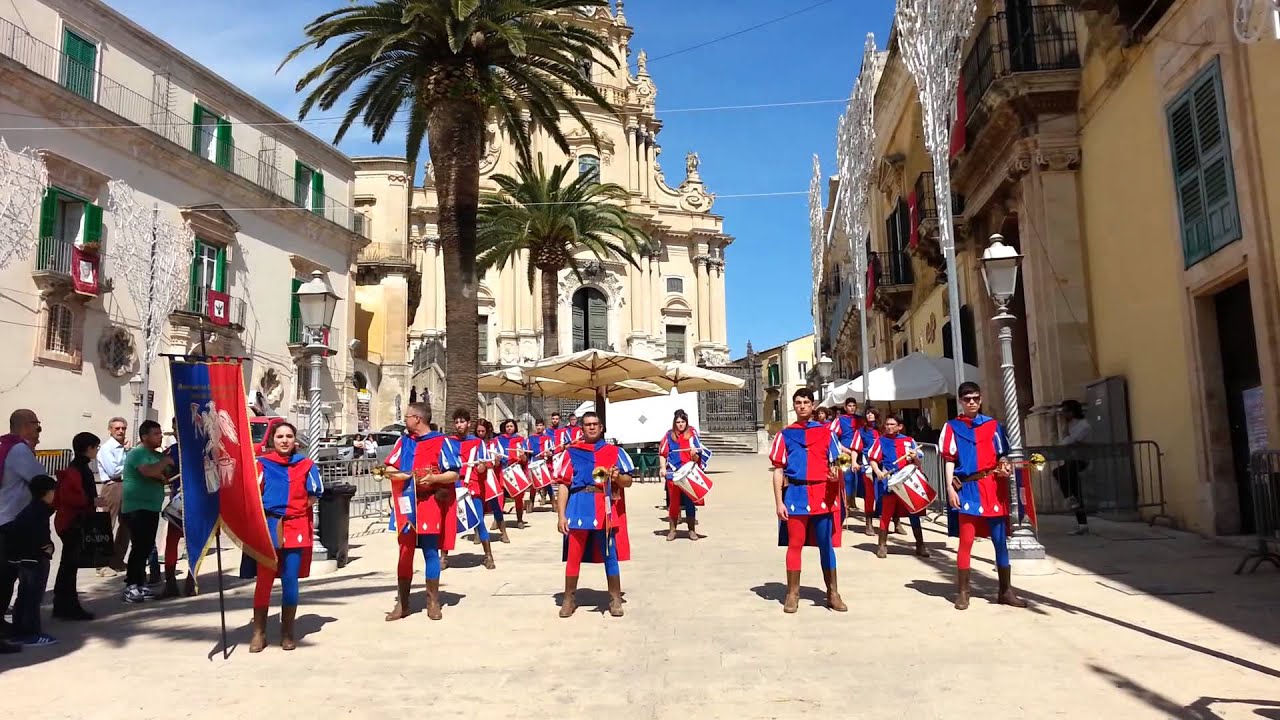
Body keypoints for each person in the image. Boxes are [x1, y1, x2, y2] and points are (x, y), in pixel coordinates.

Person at [940, 381, 1027, 611]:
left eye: (976, 398)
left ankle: (1005, 591)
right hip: (968, 488)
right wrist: (949, 488)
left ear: (980, 400)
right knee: (966, 541)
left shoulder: (993, 426)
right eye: (967, 399)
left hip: (992, 489)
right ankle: (963, 592)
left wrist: (1004, 464)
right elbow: (949, 460)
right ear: (960, 401)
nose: (972, 402)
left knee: (1000, 542)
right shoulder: (951, 428)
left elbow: (1002, 454)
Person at [241, 422, 323, 652]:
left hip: (296, 527)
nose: (284, 440)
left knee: (290, 580)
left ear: (295, 440)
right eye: (280, 436)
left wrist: (296, 511)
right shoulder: (262, 464)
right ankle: (259, 633)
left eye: (289, 436)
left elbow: (315, 493)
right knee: (264, 580)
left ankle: (287, 632)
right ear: (272, 440)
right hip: (269, 526)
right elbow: (252, 494)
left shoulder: (306, 466)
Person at [770, 388, 846, 614]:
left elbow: (842, 458)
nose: (802, 406)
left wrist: (837, 471)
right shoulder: (784, 435)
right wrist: (778, 502)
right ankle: (792, 593)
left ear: (813, 406)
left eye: (806, 402)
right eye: (798, 402)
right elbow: (777, 469)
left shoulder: (826, 432)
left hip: (823, 495)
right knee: (795, 545)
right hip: (796, 495)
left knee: (826, 545)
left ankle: (833, 593)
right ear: (794, 406)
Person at [383, 402, 460, 621]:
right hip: (407, 504)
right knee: (405, 552)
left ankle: (433, 602)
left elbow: (453, 473)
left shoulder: (441, 441)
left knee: (429, 552)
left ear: (417, 419)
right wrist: (399, 476)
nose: (405, 420)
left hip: (429, 503)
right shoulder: (404, 441)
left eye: (407, 416)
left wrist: (434, 478)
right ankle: (403, 604)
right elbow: (390, 466)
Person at [555, 411, 634, 618]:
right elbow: (563, 485)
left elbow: (628, 481)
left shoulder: (614, 452)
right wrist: (561, 515)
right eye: (587, 424)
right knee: (574, 554)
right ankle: (569, 598)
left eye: (595, 424)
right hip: (578, 505)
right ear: (581, 428)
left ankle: (615, 598)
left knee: (610, 553)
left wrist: (617, 477)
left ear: (601, 428)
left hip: (603, 505)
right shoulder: (571, 452)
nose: (591, 427)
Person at [0, 408, 46, 652]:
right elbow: (41, 481)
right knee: (12, 579)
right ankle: (22, 631)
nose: (39, 433)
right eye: (37, 426)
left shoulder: (3, 445)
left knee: (4, 579)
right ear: (27, 426)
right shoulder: (18, 449)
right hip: (11, 522)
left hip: (3, 520)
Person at [121, 420, 174, 603]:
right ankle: (131, 586)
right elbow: (147, 472)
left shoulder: (156, 455)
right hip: (136, 508)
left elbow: (163, 474)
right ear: (145, 437)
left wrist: (164, 469)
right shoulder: (137, 453)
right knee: (138, 547)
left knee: (146, 546)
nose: (160, 436)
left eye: (160, 433)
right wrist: (165, 462)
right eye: (156, 434)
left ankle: (141, 583)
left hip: (151, 507)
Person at [3, 474, 58, 647]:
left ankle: (19, 631)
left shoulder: (29, 509)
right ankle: (30, 633)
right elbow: (39, 537)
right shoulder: (38, 511)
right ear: (47, 492)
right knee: (32, 597)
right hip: (34, 560)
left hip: (23, 559)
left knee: (24, 596)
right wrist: (47, 548)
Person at [52, 431, 101, 620]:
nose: (96, 451)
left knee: (68, 565)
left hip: (72, 521)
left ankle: (62, 604)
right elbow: (74, 497)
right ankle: (68, 606)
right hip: (74, 522)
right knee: (70, 566)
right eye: (95, 447)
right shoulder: (78, 470)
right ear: (88, 448)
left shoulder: (79, 468)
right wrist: (93, 501)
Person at [867, 413, 930, 559]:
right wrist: (877, 471)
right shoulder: (880, 441)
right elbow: (873, 459)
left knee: (914, 514)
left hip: (908, 482)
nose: (888, 427)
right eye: (887, 424)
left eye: (892, 425)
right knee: (886, 513)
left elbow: (918, 462)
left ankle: (920, 545)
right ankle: (882, 545)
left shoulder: (909, 441)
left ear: (899, 427)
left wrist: (914, 457)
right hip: (890, 482)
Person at [658, 409, 712, 542]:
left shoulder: (692, 434)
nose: (680, 424)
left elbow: (697, 456)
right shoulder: (669, 436)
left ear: (686, 422)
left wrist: (694, 454)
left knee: (690, 503)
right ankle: (672, 530)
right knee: (674, 503)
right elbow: (663, 453)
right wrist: (663, 467)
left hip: (688, 473)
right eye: (678, 422)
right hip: (674, 473)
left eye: (682, 422)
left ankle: (692, 530)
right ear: (674, 423)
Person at [452, 409, 496, 569]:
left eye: (462, 421)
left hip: (473, 485)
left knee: (479, 521)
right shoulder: (449, 442)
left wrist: (481, 466)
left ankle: (488, 555)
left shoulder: (478, 443)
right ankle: (443, 557)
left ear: (469, 423)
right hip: (454, 485)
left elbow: (485, 465)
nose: (459, 425)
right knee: (450, 521)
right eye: (456, 422)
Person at [159, 419, 194, 599]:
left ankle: (190, 581)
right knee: (173, 542)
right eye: (175, 428)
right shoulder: (172, 451)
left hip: (195, 503)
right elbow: (164, 474)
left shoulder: (197, 450)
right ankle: (172, 583)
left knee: (193, 543)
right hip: (179, 502)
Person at [97, 416, 129, 575]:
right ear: (110, 429)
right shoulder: (107, 448)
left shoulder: (123, 448)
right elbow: (113, 471)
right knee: (107, 524)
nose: (121, 431)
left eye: (123, 428)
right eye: (117, 428)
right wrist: (130, 464)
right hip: (112, 486)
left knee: (126, 524)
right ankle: (101, 564)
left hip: (125, 486)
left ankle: (117, 560)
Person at [1054, 399, 1092, 535]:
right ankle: (1080, 520)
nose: (1063, 414)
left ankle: (1072, 500)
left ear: (1072, 411)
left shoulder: (1083, 425)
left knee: (1062, 475)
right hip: (1071, 459)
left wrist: (1066, 439)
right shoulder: (1069, 425)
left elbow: (1069, 441)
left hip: (1080, 460)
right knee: (1069, 482)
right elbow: (1064, 441)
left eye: (1065, 411)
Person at [829, 397, 865, 519]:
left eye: (854, 406)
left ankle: (853, 501)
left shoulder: (861, 420)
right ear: (845, 407)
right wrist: (844, 449)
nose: (852, 408)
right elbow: (832, 436)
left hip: (859, 453)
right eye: (849, 406)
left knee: (859, 479)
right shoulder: (840, 420)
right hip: (843, 453)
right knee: (844, 478)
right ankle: (844, 504)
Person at [492, 418, 526, 531]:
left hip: (515, 469)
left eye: (511, 426)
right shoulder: (498, 440)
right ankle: (497, 520)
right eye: (507, 426)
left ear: (515, 427)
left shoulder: (520, 440)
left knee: (518, 496)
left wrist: (522, 457)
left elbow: (525, 458)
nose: (509, 428)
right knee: (499, 495)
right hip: (502, 469)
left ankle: (520, 519)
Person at [524, 417, 551, 510]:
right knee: (533, 484)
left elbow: (552, 451)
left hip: (545, 463)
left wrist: (548, 453)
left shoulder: (548, 438)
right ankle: (531, 502)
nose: (539, 427)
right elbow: (526, 451)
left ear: (544, 426)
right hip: (533, 462)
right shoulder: (530, 438)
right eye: (537, 425)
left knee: (547, 483)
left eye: (541, 425)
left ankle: (553, 501)